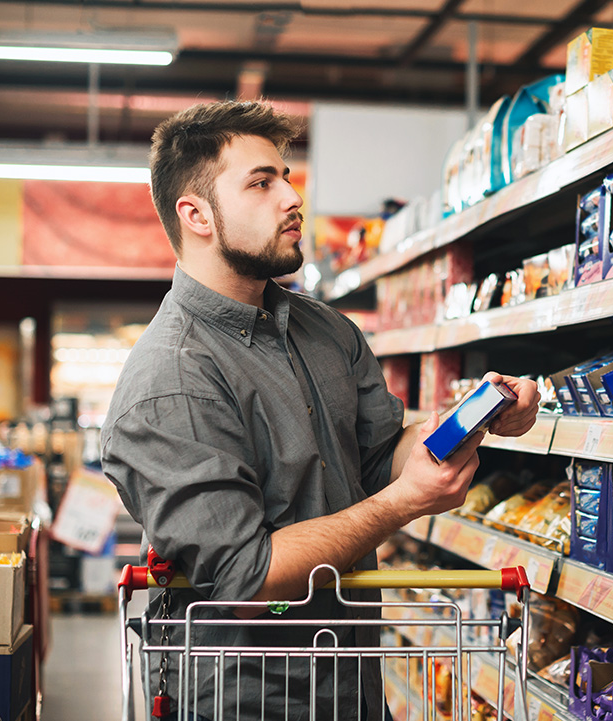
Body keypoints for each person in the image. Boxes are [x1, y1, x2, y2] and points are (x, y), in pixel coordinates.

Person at [100, 99, 539, 720]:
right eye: (261, 182)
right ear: (195, 214)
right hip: (249, 699)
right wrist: (405, 502)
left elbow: (384, 453)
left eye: (286, 175)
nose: (290, 197)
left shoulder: (326, 331)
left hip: (352, 684)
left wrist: (475, 421)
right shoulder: (170, 382)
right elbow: (244, 577)